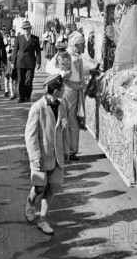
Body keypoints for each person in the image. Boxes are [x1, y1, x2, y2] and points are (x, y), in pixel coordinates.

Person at [24, 74, 69, 235]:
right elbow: (30, 135)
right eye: (62, 88)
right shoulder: (37, 108)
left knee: (51, 187)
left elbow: (64, 128)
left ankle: (42, 220)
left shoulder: (63, 104)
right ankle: (30, 202)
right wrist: (35, 157)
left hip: (57, 155)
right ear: (56, 91)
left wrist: (66, 149)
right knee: (39, 186)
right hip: (42, 156)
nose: (64, 90)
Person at [45, 33, 86, 161]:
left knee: (71, 120)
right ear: (75, 45)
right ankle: (67, 150)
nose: (83, 46)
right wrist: (62, 73)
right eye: (81, 44)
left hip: (75, 90)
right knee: (67, 120)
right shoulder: (64, 55)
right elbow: (49, 67)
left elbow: (79, 72)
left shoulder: (76, 56)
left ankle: (70, 150)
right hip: (68, 90)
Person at [12, 20, 41, 103]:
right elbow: (15, 51)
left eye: (27, 28)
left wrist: (38, 62)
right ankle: (21, 97)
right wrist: (13, 62)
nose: (26, 30)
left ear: (30, 28)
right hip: (20, 62)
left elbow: (38, 51)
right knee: (21, 80)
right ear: (22, 29)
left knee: (29, 80)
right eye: (24, 29)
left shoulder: (35, 39)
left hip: (30, 62)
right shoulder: (19, 38)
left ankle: (28, 96)